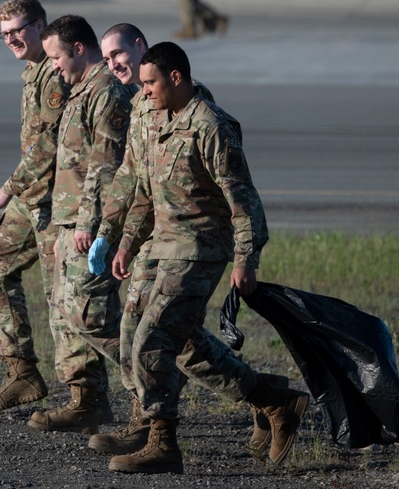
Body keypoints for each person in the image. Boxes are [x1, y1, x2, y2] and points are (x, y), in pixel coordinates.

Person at [104, 42, 308, 475]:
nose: (143, 92)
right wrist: (124, 242)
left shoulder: (211, 125)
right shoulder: (153, 114)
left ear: (176, 78)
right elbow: (143, 187)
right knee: (152, 335)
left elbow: (243, 199)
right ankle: (271, 399)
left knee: (154, 339)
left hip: (200, 248)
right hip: (159, 244)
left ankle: (163, 442)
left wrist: (246, 259)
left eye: (151, 83)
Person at [27, 15, 133, 435]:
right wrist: (61, 228)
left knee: (91, 316)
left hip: (90, 224)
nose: (52, 65)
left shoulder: (105, 91)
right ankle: (85, 400)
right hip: (70, 222)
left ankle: (151, 390)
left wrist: (88, 225)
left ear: (78, 50)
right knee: (65, 317)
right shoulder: (80, 91)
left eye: (55, 57)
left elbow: (103, 166)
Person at [0, 0, 67, 414]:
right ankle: (22, 373)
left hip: (54, 202)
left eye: (18, 30)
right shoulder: (32, 70)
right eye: (5, 33)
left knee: (64, 301)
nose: (11, 39)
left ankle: (91, 397)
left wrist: (6, 189)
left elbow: (48, 144)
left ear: (40, 25)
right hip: (30, 198)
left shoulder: (55, 71)